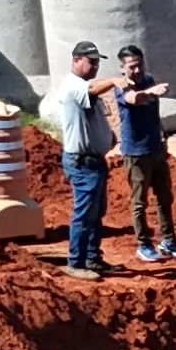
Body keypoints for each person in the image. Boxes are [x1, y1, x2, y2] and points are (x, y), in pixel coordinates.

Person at [41, 41, 122, 279]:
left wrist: (108, 136)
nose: (95, 66)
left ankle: (92, 258)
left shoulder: (83, 84)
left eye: (97, 62)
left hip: (94, 161)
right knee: (84, 213)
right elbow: (92, 91)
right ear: (76, 60)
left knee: (96, 213)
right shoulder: (72, 86)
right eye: (91, 61)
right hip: (82, 163)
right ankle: (76, 263)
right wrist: (115, 81)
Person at [112, 44, 176, 264]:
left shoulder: (148, 79)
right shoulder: (122, 86)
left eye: (139, 65)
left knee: (165, 197)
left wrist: (163, 138)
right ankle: (143, 244)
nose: (137, 70)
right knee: (139, 202)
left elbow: (153, 114)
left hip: (155, 148)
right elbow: (133, 99)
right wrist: (150, 92)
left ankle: (169, 240)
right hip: (135, 153)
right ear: (123, 68)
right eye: (132, 66)